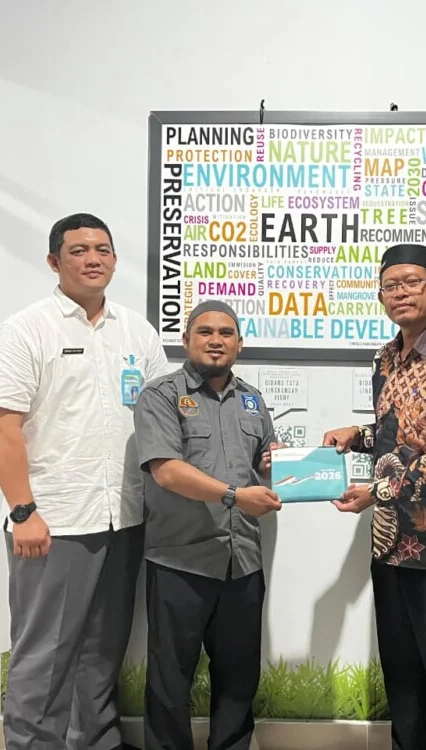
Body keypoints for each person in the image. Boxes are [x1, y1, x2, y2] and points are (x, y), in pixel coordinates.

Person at [0, 212, 170, 750]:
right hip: (53, 522)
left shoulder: (136, 331)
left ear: (114, 260)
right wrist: (23, 511)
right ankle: (32, 743)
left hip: (123, 516)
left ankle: (96, 740)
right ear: (53, 261)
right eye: (79, 250)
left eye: (102, 250)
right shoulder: (26, 329)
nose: (93, 259)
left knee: (104, 648)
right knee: (45, 652)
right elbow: (2, 425)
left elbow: (162, 415)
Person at [322, 244, 426, 750]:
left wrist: (378, 490)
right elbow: (402, 433)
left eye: (412, 282)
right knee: (404, 688)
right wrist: (359, 435)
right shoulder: (384, 358)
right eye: (391, 285)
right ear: (380, 296)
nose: (400, 292)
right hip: (390, 546)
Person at [133, 299, 282, 750]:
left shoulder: (252, 400)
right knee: (169, 680)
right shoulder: (160, 395)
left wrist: (274, 465)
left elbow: (266, 462)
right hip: (180, 561)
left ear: (239, 343)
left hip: (243, 562)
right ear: (186, 340)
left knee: (239, 677)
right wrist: (235, 495)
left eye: (226, 332)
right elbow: (166, 471)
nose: (216, 340)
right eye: (205, 332)